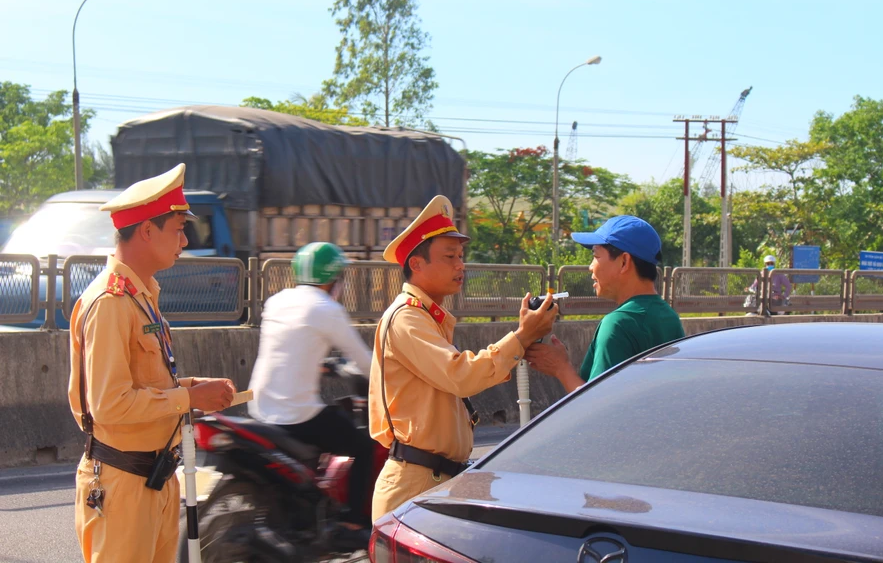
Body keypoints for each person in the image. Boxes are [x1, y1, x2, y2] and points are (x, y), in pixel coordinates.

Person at [68, 163, 236, 563]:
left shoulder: (141, 296)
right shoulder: (111, 303)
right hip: (123, 483)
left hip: (155, 479)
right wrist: (189, 398)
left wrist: (194, 386)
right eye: (178, 228)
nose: (185, 239)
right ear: (147, 230)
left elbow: (146, 382)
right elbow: (110, 404)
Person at [368, 195, 556, 522]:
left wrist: (520, 343)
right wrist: (522, 335)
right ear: (416, 264)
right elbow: (461, 375)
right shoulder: (407, 318)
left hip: (434, 481)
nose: (460, 265)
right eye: (450, 256)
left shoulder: (427, 318)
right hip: (415, 485)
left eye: (461, 256)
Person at [248, 242, 374, 545]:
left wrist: (320, 364)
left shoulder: (277, 301)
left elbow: (291, 347)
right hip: (297, 415)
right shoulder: (327, 309)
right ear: (333, 278)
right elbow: (366, 363)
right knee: (363, 447)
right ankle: (353, 523)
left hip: (260, 409)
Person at [526, 215, 684, 393]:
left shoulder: (619, 324)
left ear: (624, 262)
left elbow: (596, 405)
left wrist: (561, 368)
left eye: (595, 256)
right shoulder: (669, 316)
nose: (590, 267)